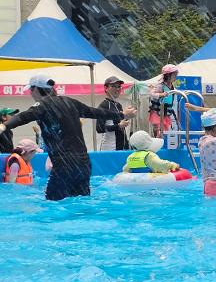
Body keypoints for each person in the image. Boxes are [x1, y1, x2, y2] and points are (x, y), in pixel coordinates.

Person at [0, 74, 132, 200]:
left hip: (64, 165)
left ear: (36, 89)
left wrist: (4, 126)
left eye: (31, 90)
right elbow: (95, 112)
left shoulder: (42, 105)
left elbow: (23, 117)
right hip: (84, 164)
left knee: (52, 206)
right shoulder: (70, 102)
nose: (30, 94)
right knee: (81, 205)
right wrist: (122, 115)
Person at [96, 76, 130, 151]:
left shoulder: (118, 105)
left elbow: (121, 127)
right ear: (106, 88)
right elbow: (99, 129)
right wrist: (119, 126)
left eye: (119, 86)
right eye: (113, 86)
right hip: (110, 149)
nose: (117, 89)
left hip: (122, 148)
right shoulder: (104, 106)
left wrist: (127, 117)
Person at [148, 64, 179, 137]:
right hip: (158, 112)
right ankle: (156, 141)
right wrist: (162, 94)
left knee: (164, 132)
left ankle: (160, 142)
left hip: (165, 112)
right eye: (174, 75)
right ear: (168, 75)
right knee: (158, 129)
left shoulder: (172, 86)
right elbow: (152, 94)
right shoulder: (160, 85)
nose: (175, 77)